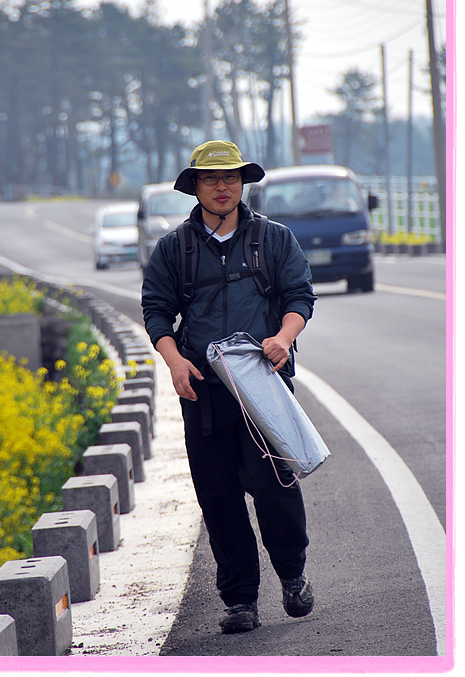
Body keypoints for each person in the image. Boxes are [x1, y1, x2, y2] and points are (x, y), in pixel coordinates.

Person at [141, 140, 317, 634]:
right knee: (217, 496)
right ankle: (240, 601)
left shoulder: (275, 239)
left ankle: (293, 577)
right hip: (203, 392)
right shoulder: (174, 248)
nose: (223, 187)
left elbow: (299, 295)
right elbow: (156, 308)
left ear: (243, 184)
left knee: (275, 489)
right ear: (194, 186)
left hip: (264, 386)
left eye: (232, 178)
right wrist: (174, 361)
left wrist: (284, 337)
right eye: (212, 179)